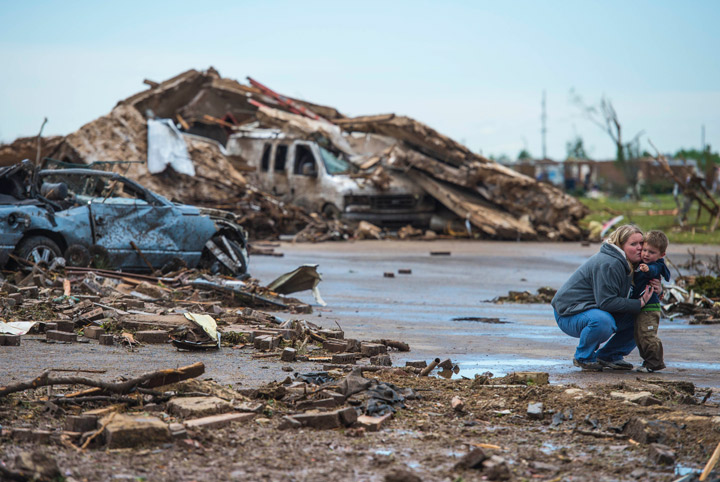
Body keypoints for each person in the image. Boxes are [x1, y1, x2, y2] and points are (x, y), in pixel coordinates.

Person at [551, 224, 655, 371]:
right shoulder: (609, 263)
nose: (639, 247)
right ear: (621, 246)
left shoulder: (635, 264)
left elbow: (634, 295)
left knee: (644, 316)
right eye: (633, 244)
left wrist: (655, 290)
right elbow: (607, 302)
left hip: (594, 308)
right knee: (602, 321)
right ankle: (584, 357)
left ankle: (610, 355)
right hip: (569, 313)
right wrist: (639, 303)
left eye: (641, 243)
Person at [632, 230, 670, 373]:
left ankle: (655, 362)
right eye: (645, 250)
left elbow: (654, 270)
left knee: (647, 334)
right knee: (639, 335)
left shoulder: (656, 265)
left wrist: (647, 269)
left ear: (662, 255)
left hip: (650, 306)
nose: (646, 254)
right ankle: (648, 361)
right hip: (642, 306)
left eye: (652, 252)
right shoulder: (640, 261)